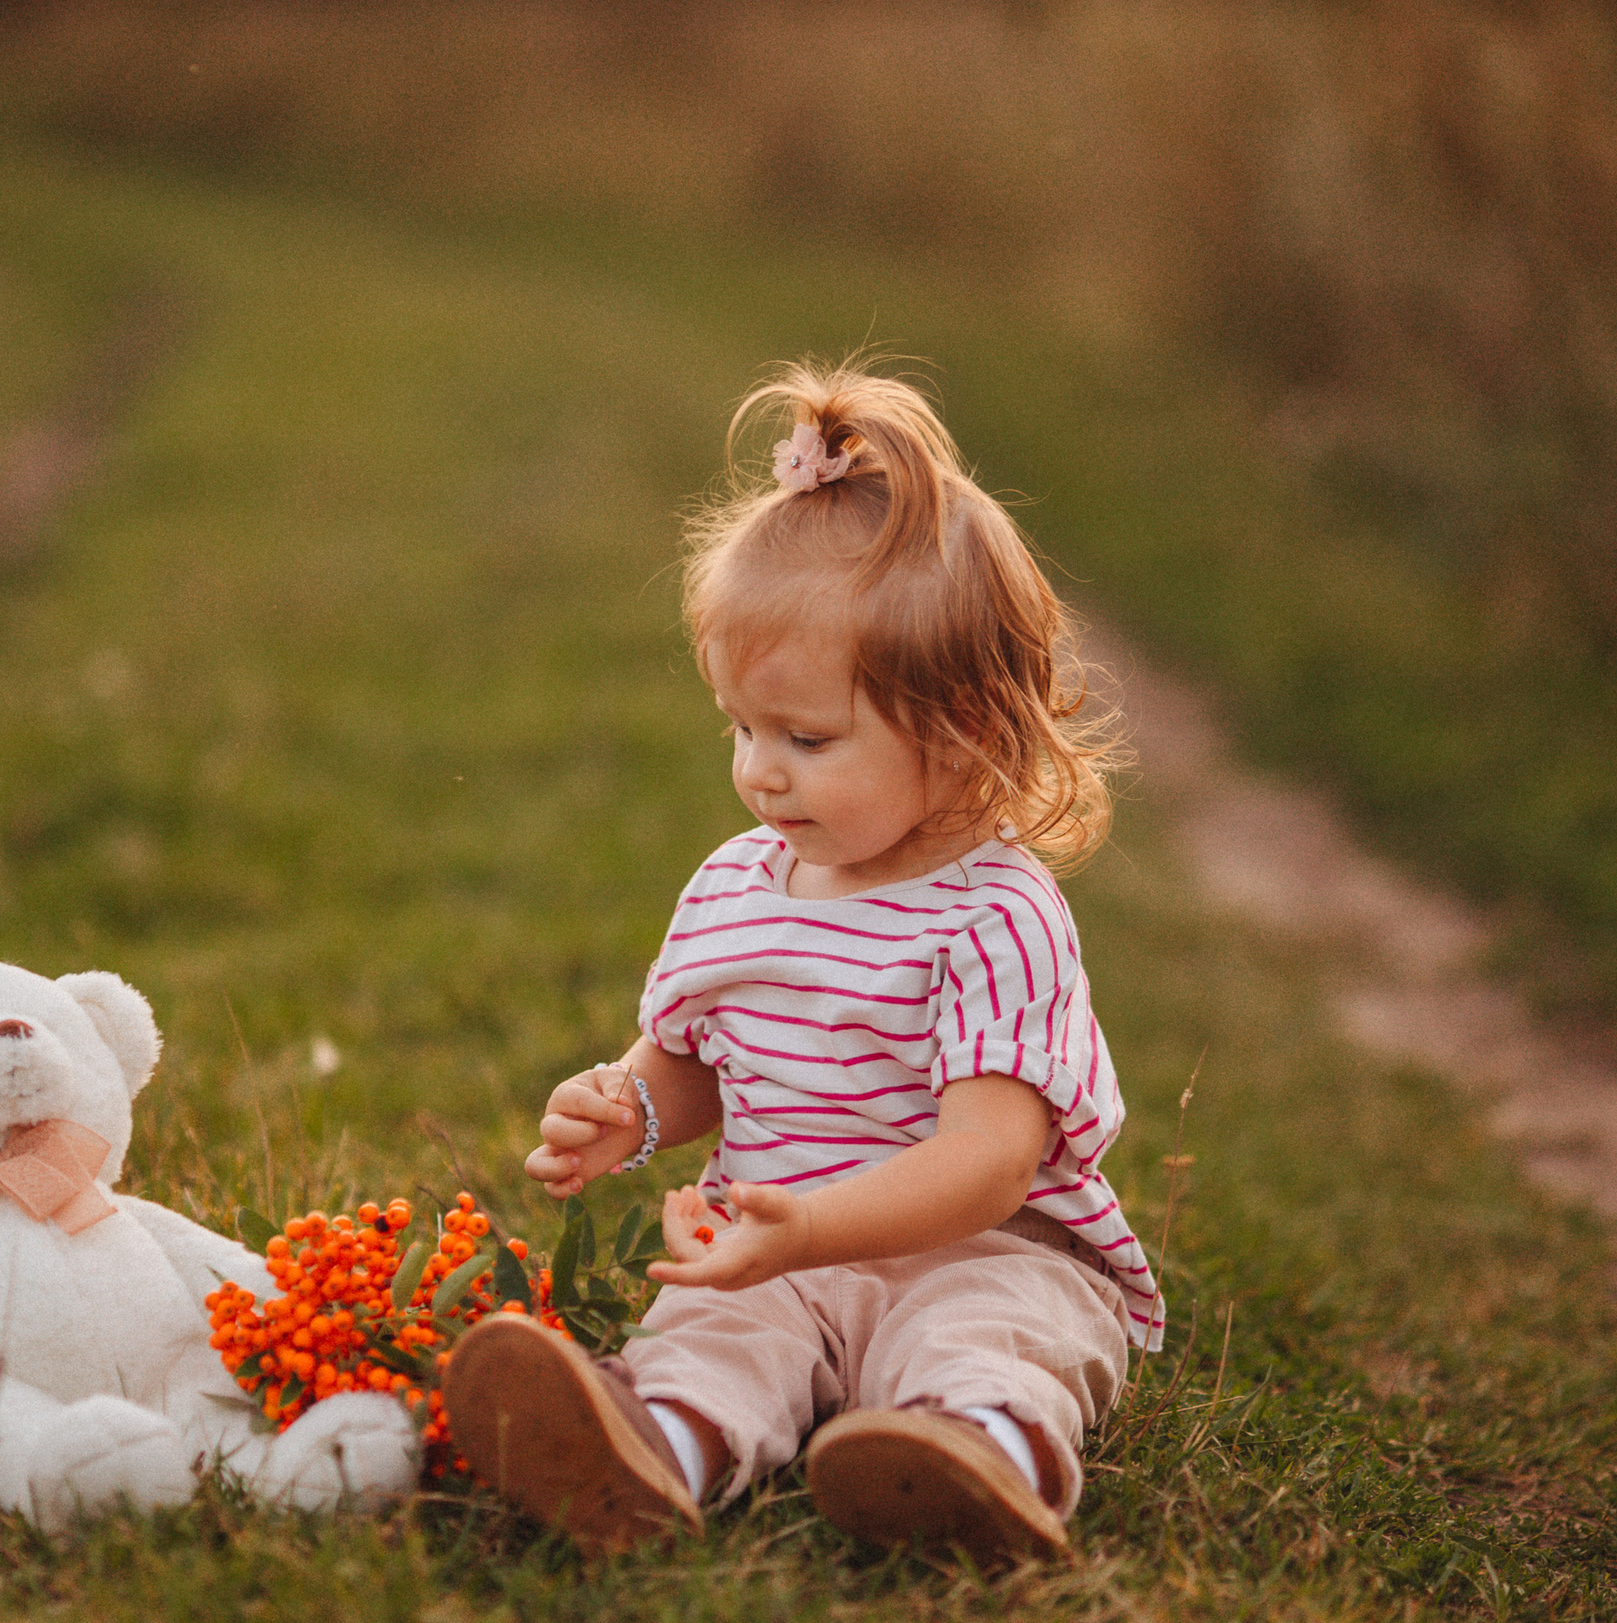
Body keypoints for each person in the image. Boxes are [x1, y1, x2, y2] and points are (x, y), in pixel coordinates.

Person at [443, 361, 1165, 1562]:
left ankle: (976, 1454)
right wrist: (627, 1101)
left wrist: (819, 1224)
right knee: (719, 1332)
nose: (758, 772)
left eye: (807, 737)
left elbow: (990, 1164)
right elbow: (702, 1064)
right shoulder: (738, 883)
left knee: (984, 1335)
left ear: (965, 728)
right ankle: (650, 1450)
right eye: (739, 726)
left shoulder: (994, 913)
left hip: (983, 1250)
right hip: (773, 1249)